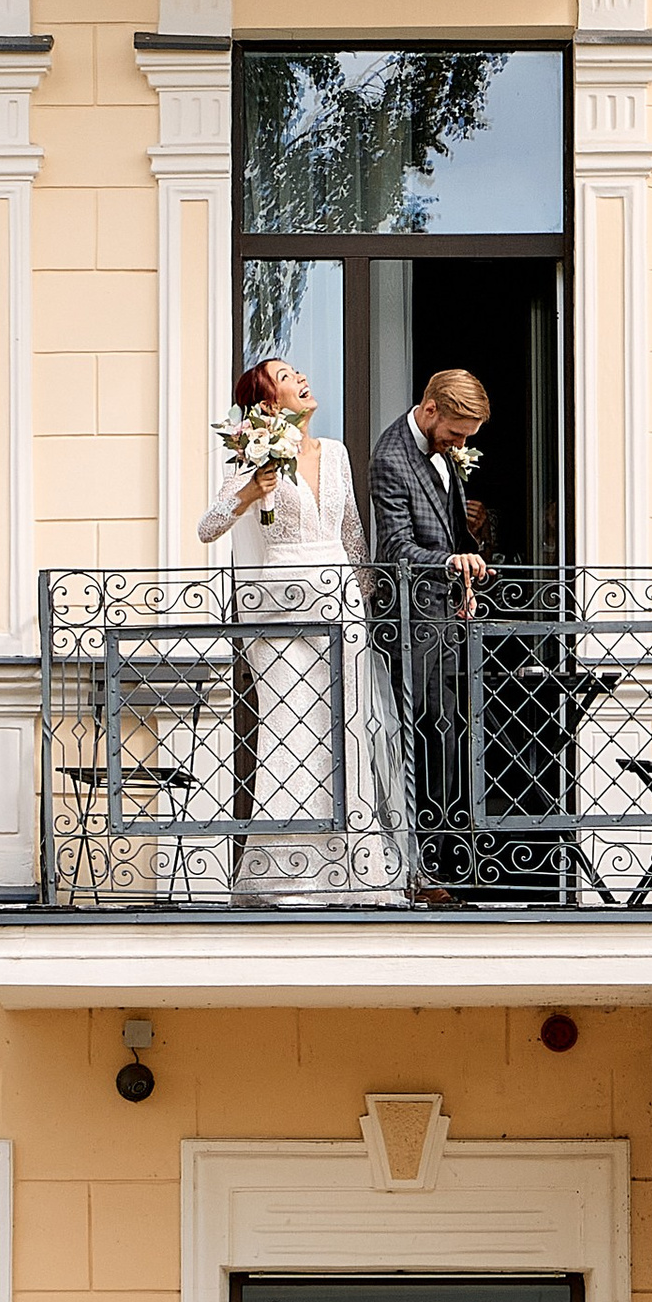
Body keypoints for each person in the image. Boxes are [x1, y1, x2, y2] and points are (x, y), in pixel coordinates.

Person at [196, 355, 407, 903]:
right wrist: (251, 490)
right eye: (286, 378)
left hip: (341, 605)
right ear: (268, 403)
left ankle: (355, 870)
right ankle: (287, 873)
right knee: (293, 731)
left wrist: (363, 602)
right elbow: (208, 527)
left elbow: (354, 535)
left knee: (348, 730)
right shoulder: (248, 456)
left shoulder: (334, 454)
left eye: (298, 372)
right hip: (280, 608)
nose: (302, 379)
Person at [370, 365, 491, 903]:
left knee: (449, 735)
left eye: (468, 438)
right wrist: (451, 561)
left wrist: (466, 562)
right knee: (421, 737)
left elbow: (447, 526)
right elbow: (396, 549)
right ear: (431, 409)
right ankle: (415, 867)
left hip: (447, 617)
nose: (461, 444)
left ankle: (438, 860)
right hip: (411, 624)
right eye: (457, 433)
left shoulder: (445, 452)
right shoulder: (390, 457)